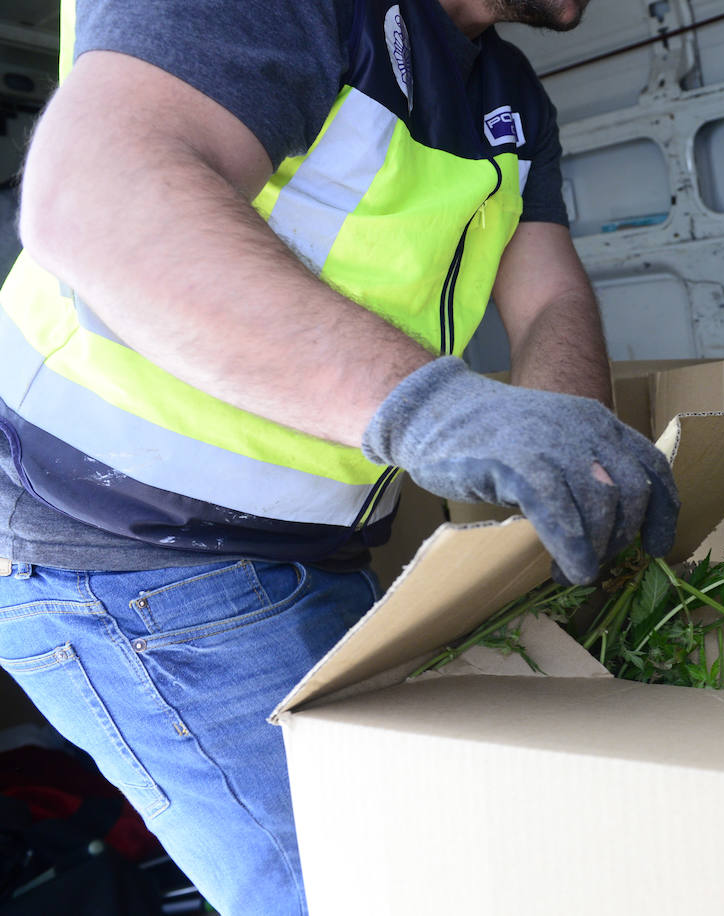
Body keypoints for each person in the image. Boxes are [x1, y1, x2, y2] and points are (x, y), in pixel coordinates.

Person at [0, 0, 679, 912]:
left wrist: (567, 457)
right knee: (353, 892)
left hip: (305, 554)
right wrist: (434, 408)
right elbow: (95, 191)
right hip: (128, 558)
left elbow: (550, 292)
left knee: (430, 870)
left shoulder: (506, 90)